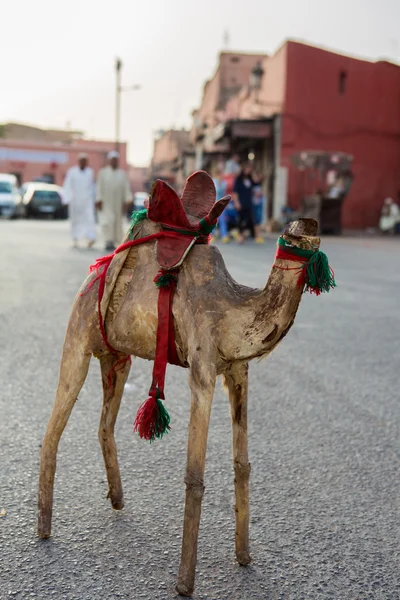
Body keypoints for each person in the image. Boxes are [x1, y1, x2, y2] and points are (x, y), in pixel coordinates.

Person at [96, 151, 132, 251]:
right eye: (112, 160)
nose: (114, 162)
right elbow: (99, 187)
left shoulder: (122, 174)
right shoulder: (103, 173)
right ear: (109, 161)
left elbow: (126, 188)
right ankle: (108, 241)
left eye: (115, 160)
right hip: (106, 203)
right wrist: (98, 199)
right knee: (107, 221)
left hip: (118, 204)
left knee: (116, 222)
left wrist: (128, 200)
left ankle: (114, 241)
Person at [63, 153, 96, 248]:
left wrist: (93, 200)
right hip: (75, 201)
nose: (83, 163)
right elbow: (67, 186)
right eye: (81, 161)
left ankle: (91, 238)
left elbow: (92, 187)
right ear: (78, 162)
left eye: (85, 161)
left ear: (87, 162)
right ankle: (75, 238)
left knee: (89, 220)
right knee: (75, 221)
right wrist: (67, 199)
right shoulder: (72, 172)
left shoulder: (90, 172)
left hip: (87, 201)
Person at [233, 163, 256, 243]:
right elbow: (235, 192)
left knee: (249, 219)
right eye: (246, 169)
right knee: (240, 220)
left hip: (248, 203)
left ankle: (244, 234)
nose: (248, 171)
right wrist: (236, 202)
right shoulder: (238, 179)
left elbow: (255, 186)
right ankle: (240, 236)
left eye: (249, 169)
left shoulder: (250, 180)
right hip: (241, 202)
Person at [212, 165, 229, 242]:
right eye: (220, 173)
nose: (222, 175)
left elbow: (224, 193)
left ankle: (224, 235)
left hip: (221, 204)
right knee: (213, 220)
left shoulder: (224, 183)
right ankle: (211, 235)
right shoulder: (214, 181)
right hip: (214, 204)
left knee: (222, 220)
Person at [252, 172, 266, 244]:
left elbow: (261, 193)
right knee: (256, 220)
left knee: (259, 219)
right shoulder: (252, 185)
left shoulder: (259, 185)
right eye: (255, 177)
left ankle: (258, 235)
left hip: (259, 204)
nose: (256, 179)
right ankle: (257, 236)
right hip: (254, 204)